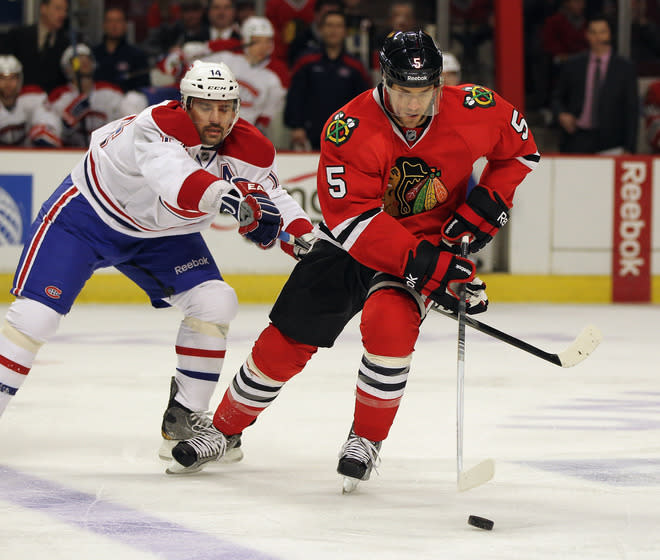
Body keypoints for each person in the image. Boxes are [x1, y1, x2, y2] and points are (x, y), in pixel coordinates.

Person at [165, 31, 540, 493]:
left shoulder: (477, 108)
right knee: (286, 340)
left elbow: (522, 152)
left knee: (389, 327)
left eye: (423, 92)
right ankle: (223, 430)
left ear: (440, 84)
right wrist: (433, 269)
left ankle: (365, 439)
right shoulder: (349, 127)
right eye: (402, 90)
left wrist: (487, 202)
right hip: (353, 242)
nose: (412, 104)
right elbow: (353, 222)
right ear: (385, 80)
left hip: (427, 240)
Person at [0, 61, 313, 464]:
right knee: (34, 318)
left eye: (225, 108)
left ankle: (181, 420)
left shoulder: (249, 147)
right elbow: (178, 183)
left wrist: (305, 237)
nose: (216, 118)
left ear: (237, 109)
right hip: (85, 218)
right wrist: (231, 199)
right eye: (205, 107)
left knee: (215, 302)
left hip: (160, 236)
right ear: (184, 105)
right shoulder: (155, 127)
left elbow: (274, 196)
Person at [552, 13, 639, 154]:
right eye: (593, 32)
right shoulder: (573, 64)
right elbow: (557, 97)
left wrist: (630, 147)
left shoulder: (625, 68)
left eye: (602, 32)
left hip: (612, 141)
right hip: (577, 137)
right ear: (587, 35)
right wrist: (561, 114)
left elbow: (631, 109)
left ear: (610, 34)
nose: (598, 37)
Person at [285, 9, 371, 151]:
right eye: (329, 25)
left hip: (347, 135)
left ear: (345, 31)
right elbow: (295, 95)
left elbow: (364, 103)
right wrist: (296, 126)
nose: (334, 30)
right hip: (308, 135)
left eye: (338, 26)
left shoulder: (356, 66)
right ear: (321, 29)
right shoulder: (305, 61)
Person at [199, 16, 289, 136]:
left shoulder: (273, 78)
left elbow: (268, 113)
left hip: (243, 133)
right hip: (212, 125)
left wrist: (257, 132)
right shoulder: (225, 60)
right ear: (245, 41)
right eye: (257, 41)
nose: (264, 47)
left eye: (267, 41)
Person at [29, 44, 130, 147]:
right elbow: (48, 134)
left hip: (104, 155)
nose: (84, 61)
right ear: (67, 68)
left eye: (87, 58)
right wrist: (66, 123)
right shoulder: (58, 97)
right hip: (71, 156)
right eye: (77, 59)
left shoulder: (111, 93)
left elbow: (125, 127)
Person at [1, 0, 71, 94]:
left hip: (52, 103)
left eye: (65, 10)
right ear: (43, 8)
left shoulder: (68, 44)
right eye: (58, 9)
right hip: (18, 101)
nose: (63, 14)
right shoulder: (18, 36)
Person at [92, 6, 151, 93]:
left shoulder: (137, 55)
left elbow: (144, 88)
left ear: (125, 25)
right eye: (110, 21)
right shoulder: (93, 54)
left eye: (118, 21)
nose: (114, 25)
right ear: (103, 25)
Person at [0, 55, 48, 146]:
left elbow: (48, 125)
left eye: (12, 78)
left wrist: (43, 133)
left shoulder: (32, 98)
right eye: (2, 78)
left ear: (19, 79)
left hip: (27, 157)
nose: (8, 83)